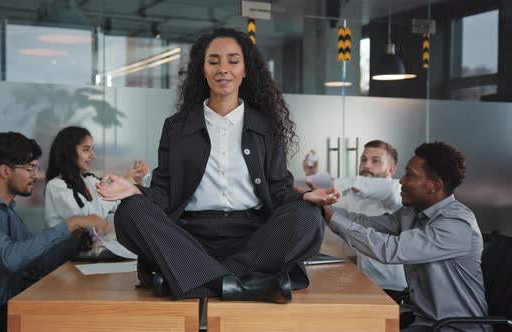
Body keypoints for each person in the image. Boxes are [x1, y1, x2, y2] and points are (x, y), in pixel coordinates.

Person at [96, 28, 338, 303]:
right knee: (129, 211)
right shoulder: (177, 127)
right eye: (214, 61)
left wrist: (305, 196)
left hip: (253, 237)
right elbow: (164, 194)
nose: (223, 69)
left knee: (308, 216)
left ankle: (195, 281)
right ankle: (242, 284)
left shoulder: (266, 126)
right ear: (203, 69)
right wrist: (135, 190)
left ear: (246, 70)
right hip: (189, 238)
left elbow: (278, 189)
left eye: (233, 61)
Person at [304, 142, 489, 331]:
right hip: (423, 321)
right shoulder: (412, 213)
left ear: (434, 186)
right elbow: (363, 222)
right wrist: (322, 209)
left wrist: (328, 207)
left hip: (455, 328)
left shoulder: (456, 224)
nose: (401, 181)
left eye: (410, 175)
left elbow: (390, 249)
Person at [0, 132, 112, 331]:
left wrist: (74, 237)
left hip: (13, 309)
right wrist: (70, 223)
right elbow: (10, 258)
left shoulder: (8, 212)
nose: (36, 176)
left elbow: (38, 266)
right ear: (5, 171)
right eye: (29, 169)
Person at [301, 140, 407, 294]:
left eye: (375, 161)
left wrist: (323, 180)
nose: (367, 165)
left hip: (393, 288)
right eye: (363, 160)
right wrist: (313, 178)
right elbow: (328, 208)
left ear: (391, 169)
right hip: (363, 282)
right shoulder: (355, 197)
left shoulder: (397, 192)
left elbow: (360, 185)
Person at [44, 126, 149, 228]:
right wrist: (122, 185)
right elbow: (86, 219)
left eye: (92, 149)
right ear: (68, 152)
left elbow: (118, 203)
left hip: (95, 244)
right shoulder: (55, 186)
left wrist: (137, 182)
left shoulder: (90, 180)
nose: (93, 156)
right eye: (86, 150)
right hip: (71, 246)